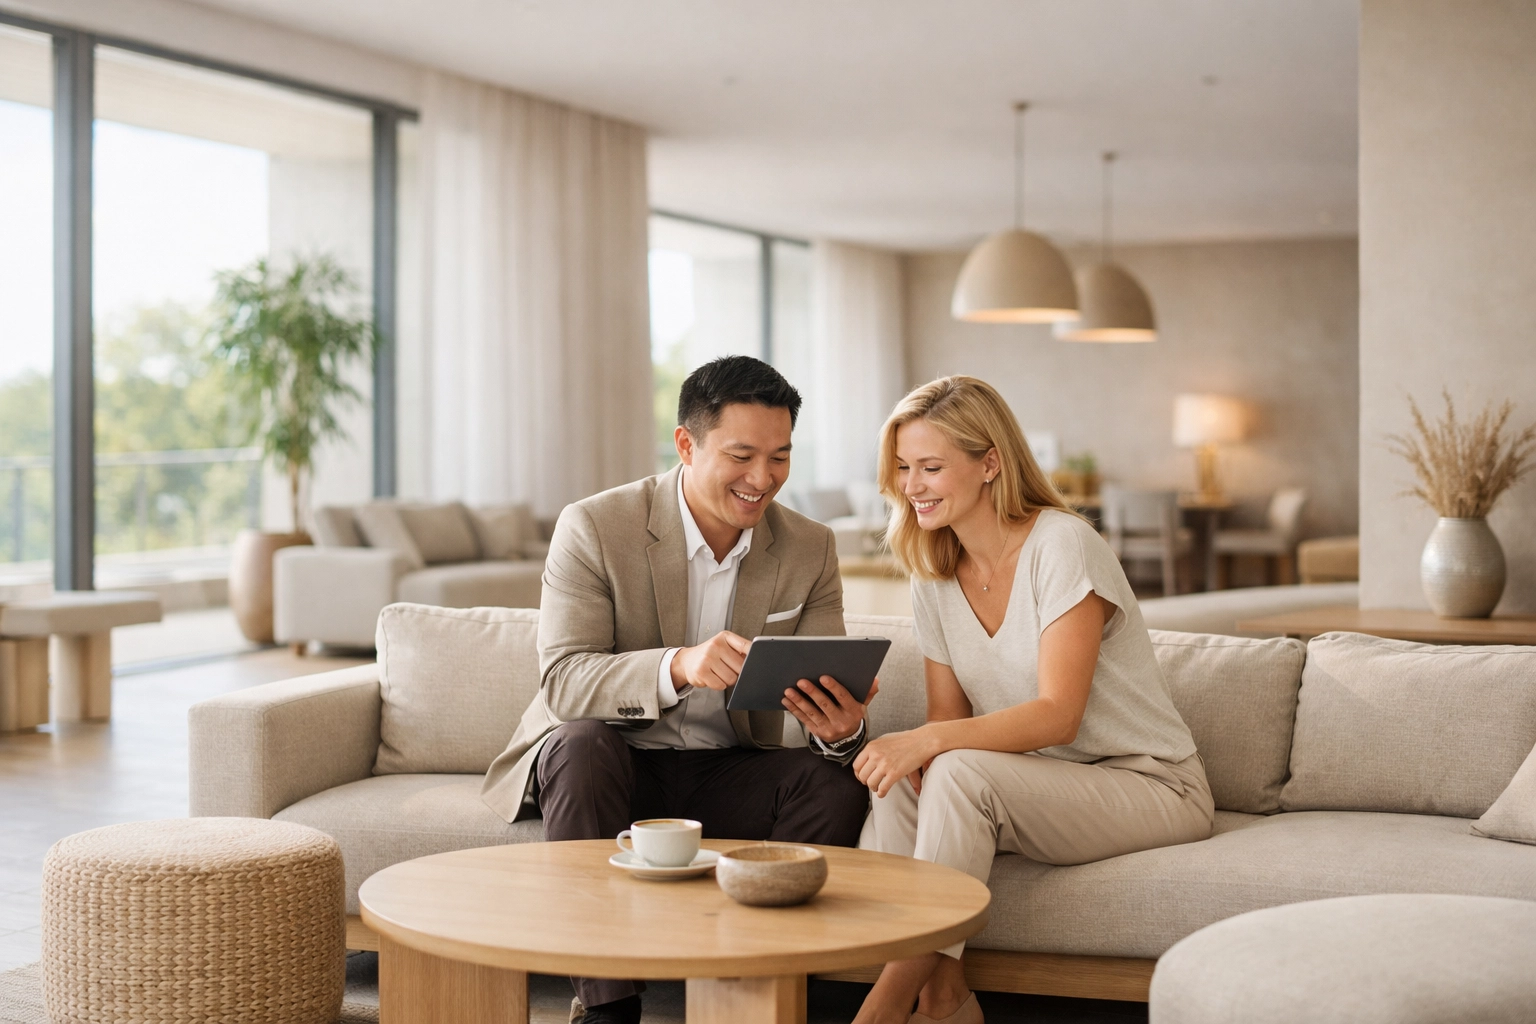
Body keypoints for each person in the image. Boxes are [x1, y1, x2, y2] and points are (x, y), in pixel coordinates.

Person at [481, 355, 876, 1024]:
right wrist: (680, 666)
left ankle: (747, 990)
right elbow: (565, 681)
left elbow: (824, 689)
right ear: (686, 445)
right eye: (742, 455)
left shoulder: (809, 547)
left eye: (780, 457)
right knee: (580, 746)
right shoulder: (596, 528)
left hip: (728, 767)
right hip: (615, 762)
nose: (763, 479)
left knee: (830, 784)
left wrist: (840, 732)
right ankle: (608, 1006)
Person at [850, 376, 1213, 1024]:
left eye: (931, 467)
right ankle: (944, 994)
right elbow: (947, 718)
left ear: (990, 462)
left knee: (950, 765)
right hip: (1043, 783)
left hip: (1151, 785)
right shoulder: (932, 572)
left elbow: (1057, 714)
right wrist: (923, 748)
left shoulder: (1062, 544)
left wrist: (931, 742)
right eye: (904, 468)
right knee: (905, 780)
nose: (912, 485)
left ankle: (884, 1004)